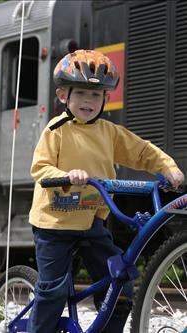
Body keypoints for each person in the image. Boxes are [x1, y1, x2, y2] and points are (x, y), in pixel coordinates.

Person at [26, 49, 185, 333]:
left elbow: (142, 151)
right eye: (82, 93)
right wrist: (65, 175)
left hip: (92, 223)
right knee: (52, 291)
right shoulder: (56, 130)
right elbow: (40, 168)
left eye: (96, 95)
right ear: (64, 96)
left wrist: (168, 167)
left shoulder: (109, 132)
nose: (88, 101)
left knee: (120, 286)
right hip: (55, 224)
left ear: (106, 100)